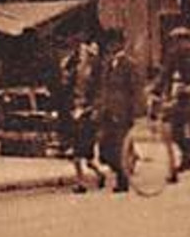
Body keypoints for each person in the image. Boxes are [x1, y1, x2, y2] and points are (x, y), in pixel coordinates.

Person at [96, 31, 143, 193]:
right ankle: (121, 169)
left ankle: (122, 181)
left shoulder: (130, 64)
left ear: (121, 44)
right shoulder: (108, 64)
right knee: (105, 147)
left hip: (123, 111)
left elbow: (136, 90)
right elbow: (103, 88)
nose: (111, 47)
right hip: (107, 111)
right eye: (109, 44)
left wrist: (135, 112)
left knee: (119, 147)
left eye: (113, 44)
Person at [58, 33, 104, 192]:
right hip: (75, 110)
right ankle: (81, 182)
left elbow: (99, 90)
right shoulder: (73, 68)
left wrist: (94, 107)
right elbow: (66, 85)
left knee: (86, 152)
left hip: (87, 111)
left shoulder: (96, 70)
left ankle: (96, 173)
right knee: (77, 151)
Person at [161, 25, 190, 176]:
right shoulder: (174, 55)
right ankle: (187, 155)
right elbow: (164, 75)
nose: (179, 45)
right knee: (174, 127)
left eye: (180, 41)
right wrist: (154, 90)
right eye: (175, 42)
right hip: (181, 94)